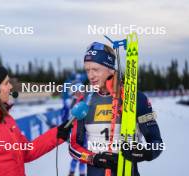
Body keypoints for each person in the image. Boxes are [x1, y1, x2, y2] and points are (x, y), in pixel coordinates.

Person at [0, 63, 72, 176]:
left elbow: (27, 152)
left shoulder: (4, 118)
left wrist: (57, 134)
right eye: (6, 83)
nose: (10, 87)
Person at [68, 42, 163, 176]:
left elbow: (157, 143)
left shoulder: (136, 98)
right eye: (87, 70)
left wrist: (145, 152)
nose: (91, 75)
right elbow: (73, 147)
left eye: (96, 69)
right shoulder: (84, 101)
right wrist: (93, 158)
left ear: (111, 69)